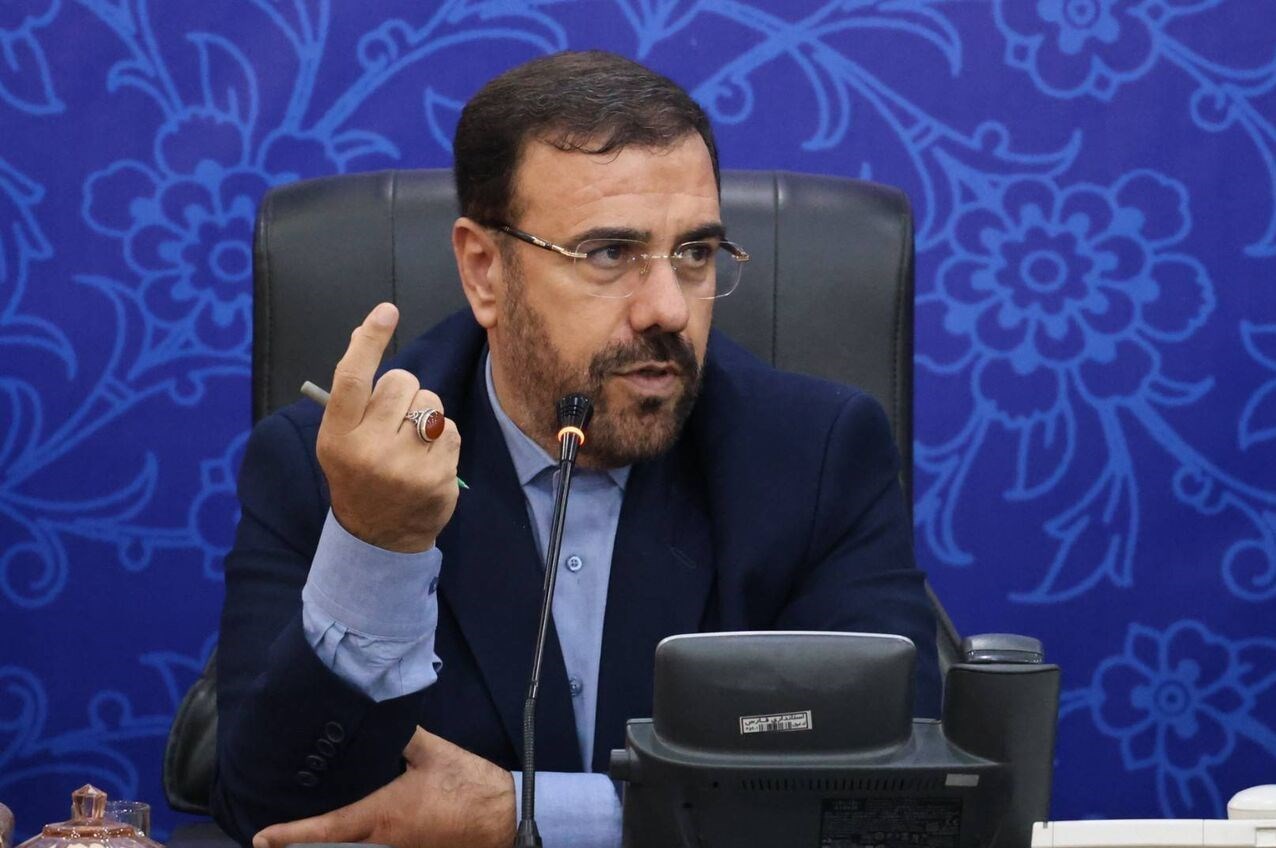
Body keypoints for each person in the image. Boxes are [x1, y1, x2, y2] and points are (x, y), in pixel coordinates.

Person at [212, 50, 940, 848]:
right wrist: (378, 546)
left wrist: (525, 816)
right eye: (610, 254)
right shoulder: (330, 471)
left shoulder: (815, 457)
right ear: (484, 271)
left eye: (695, 254)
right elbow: (273, 817)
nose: (667, 309)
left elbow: (892, 799)